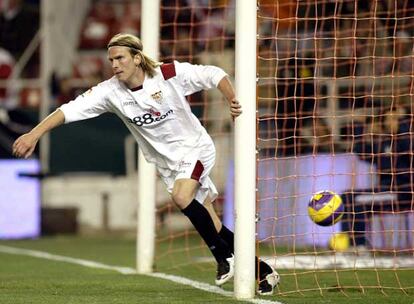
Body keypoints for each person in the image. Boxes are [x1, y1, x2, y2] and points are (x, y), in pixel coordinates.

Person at [12, 33, 280, 295]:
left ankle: (223, 257)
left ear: (137, 58)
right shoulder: (110, 92)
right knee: (214, 225)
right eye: (111, 60)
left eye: (120, 58)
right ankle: (264, 271)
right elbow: (66, 110)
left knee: (181, 196)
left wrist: (231, 98)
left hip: (195, 149)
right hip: (169, 165)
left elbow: (214, 73)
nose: (115, 65)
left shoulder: (168, 74)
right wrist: (34, 133)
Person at [341, 105, 413, 251]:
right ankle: (350, 243)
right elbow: (361, 152)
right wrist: (360, 127)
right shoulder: (384, 144)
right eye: (389, 119)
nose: (393, 122)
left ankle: (359, 246)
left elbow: (408, 149)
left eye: (396, 119)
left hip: (403, 191)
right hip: (385, 190)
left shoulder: (408, 140)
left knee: (358, 202)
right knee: (346, 197)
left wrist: (402, 127)